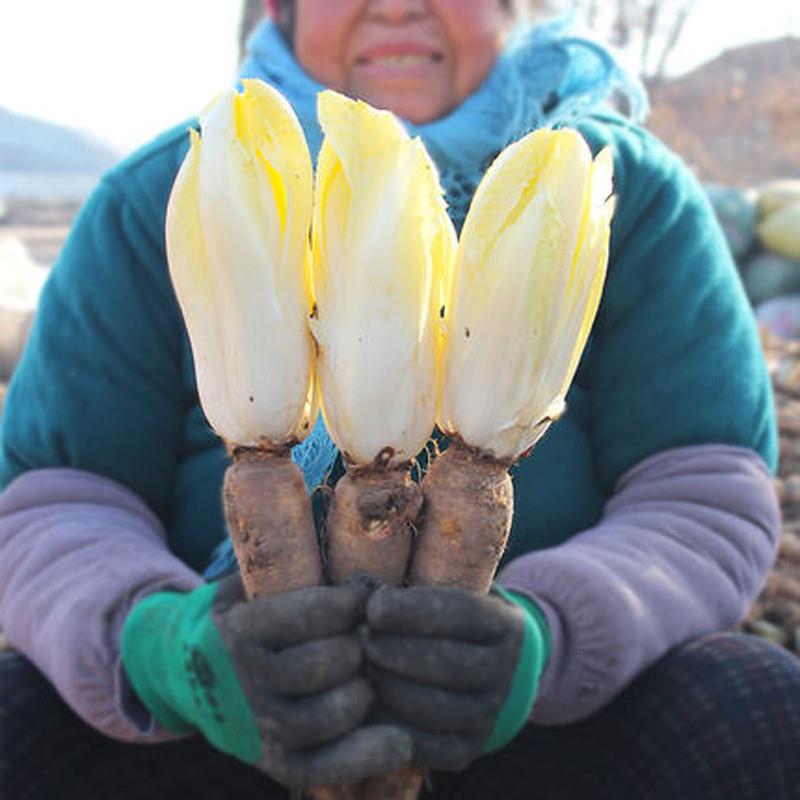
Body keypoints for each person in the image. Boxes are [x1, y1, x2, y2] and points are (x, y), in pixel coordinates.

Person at [1, 1, 799, 798]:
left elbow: (703, 496)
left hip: (540, 732)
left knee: (753, 707)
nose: (396, 5)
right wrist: (165, 652)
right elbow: (53, 498)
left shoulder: (613, 189)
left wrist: (546, 640)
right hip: (223, 733)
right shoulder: (181, 188)